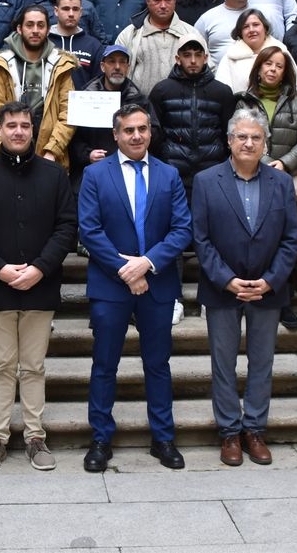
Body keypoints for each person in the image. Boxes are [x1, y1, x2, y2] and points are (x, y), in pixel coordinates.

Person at [0, 101, 77, 473]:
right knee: (3, 365)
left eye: (25, 125)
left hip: (41, 286)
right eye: (12, 125)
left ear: (33, 129)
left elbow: (67, 227)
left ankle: (34, 436)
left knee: (34, 365)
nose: (19, 132)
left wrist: (41, 268)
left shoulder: (54, 176)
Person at [78, 104, 192, 473]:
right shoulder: (95, 174)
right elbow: (90, 231)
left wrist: (147, 263)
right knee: (104, 365)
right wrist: (126, 268)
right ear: (116, 135)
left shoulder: (169, 175)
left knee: (157, 365)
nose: (137, 136)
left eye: (142, 129)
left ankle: (163, 437)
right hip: (110, 286)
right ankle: (100, 439)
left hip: (157, 283)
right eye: (129, 130)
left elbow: (182, 229)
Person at [191, 108, 297, 466]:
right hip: (223, 289)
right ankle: (229, 433)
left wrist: (270, 281)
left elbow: (290, 239)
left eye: (255, 137)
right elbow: (201, 239)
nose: (249, 143)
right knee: (223, 364)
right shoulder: (207, 181)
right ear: (229, 141)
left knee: (262, 363)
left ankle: (254, 429)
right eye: (242, 137)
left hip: (268, 289)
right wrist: (227, 280)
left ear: (265, 142)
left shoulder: (281, 183)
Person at [233, 44, 297, 332]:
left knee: (286, 238)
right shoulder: (243, 102)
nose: (272, 69)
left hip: (289, 181)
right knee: (261, 237)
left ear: (285, 72)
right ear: (259, 68)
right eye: (268, 64)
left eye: (279, 66)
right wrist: (264, 162)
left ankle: (285, 300)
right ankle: (255, 293)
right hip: (251, 177)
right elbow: (239, 137)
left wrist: (284, 164)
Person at [0, 5, 77, 168]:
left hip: (50, 156)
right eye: (29, 25)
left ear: (48, 30)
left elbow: (68, 113)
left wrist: (52, 150)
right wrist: (11, 148)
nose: (35, 30)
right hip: (7, 157)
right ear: (19, 28)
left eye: (40, 25)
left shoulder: (61, 65)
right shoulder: (1, 64)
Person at [148, 35, 237, 201]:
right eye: (187, 55)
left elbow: (230, 134)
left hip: (213, 173)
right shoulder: (162, 90)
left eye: (198, 55)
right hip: (172, 173)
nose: (193, 60)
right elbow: (154, 135)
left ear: (206, 58)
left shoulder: (222, 92)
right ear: (178, 58)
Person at [67, 44, 154, 188]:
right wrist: (87, 155)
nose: (117, 67)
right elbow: (72, 136)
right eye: (112, 61)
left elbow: (154, 132)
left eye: (122, 62)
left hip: (131, 170)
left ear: (128, 67)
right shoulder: (85, 97)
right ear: (102, 66)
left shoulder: (139, 100)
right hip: (91, 171)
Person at [114, 0, 198, 93]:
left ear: (175, 1)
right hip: (140, 106)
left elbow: (207, 69)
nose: (163, 5)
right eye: (157, 0)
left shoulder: (190, 33)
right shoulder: (130, 34)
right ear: (148, 1)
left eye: (168, 0)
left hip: (182, 106)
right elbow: (117, 69)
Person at [196, 0, 284, 66]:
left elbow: (276, 47)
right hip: (219, 77)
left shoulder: (265, 15)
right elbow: (197, 51)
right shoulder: (207, 18)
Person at [214, 8, 297, 92]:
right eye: (246, 27)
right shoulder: (230, 57)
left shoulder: (281, 52)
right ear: (240, 33)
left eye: (256, 24)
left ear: (265, 28)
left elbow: (296, 86)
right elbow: (221, 93)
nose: (251, 30)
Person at [47, 0, 104, 88]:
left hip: (82, 102)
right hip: (49, 102)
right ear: (56, 11)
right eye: (65, 9)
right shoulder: (44, 42)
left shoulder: (93, 45)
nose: (71, 14)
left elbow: (99, 83)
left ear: (81, 12)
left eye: (75, 9)